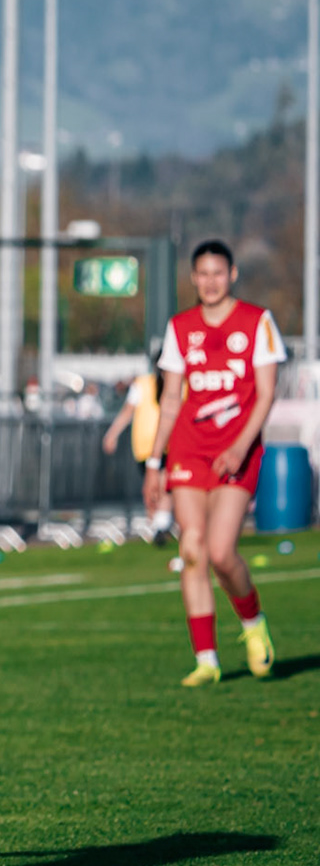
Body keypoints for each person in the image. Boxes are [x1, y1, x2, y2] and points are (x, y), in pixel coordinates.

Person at [144, 239, 284, 685]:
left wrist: (242, 446)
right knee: (192, 549)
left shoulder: (257, 322)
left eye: (217, 273)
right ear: (192, 278)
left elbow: (265, 394)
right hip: (189, 449)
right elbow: (169, 400)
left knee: (223, 553)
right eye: (202, 274)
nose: (209, 282)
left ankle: (253, 623)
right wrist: (154, 461)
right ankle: (207, 659)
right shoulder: (181, 327)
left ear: (233, 274)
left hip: (237, 450)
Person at [103, 350, 172, 539]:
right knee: (153, 486)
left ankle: (162, 524)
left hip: (169, 443)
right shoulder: (142, 384)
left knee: (165, 484)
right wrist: (112, 433)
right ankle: (157, 524)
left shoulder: (179, 385)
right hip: (146, 445)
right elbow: (128, 411)